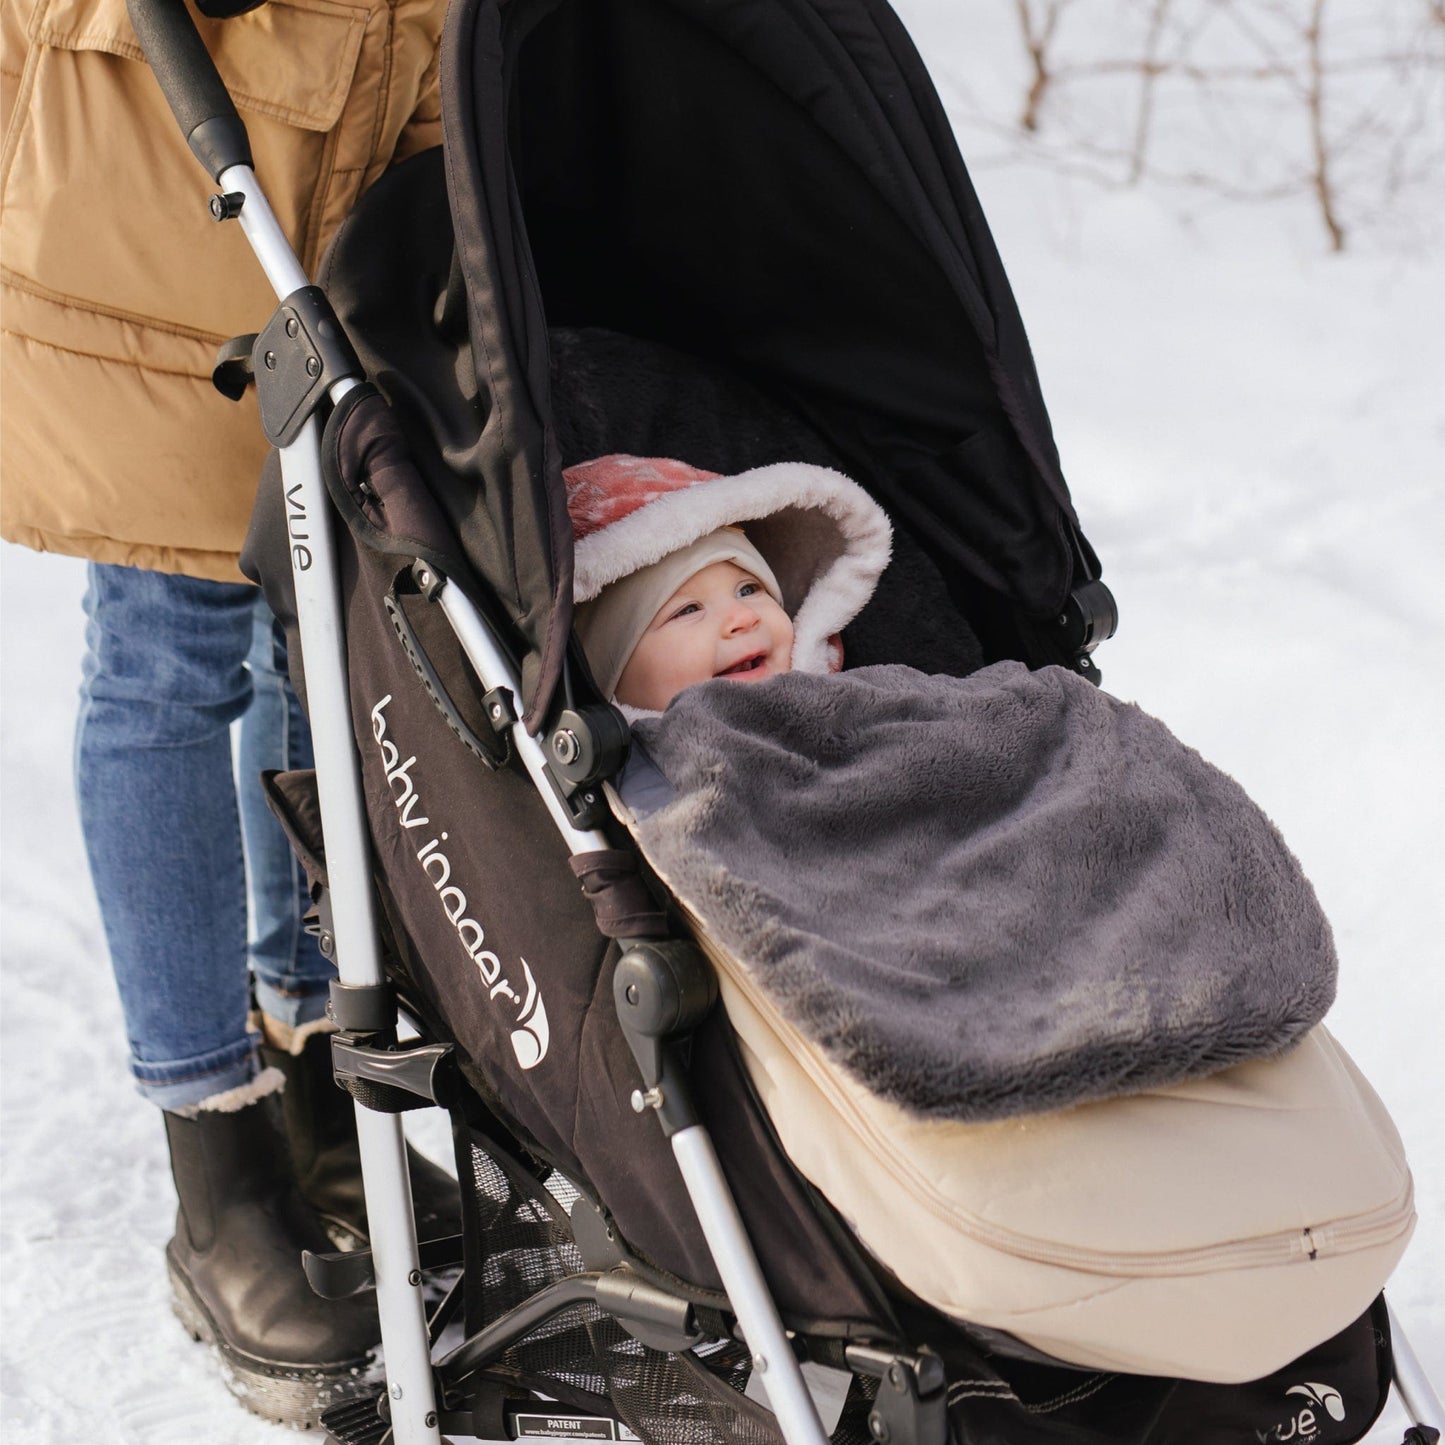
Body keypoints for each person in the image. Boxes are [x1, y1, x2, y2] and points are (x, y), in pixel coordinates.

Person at [0, 0, 456, 1425]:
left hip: (340, 187)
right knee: (170, 650)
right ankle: (215, 1166)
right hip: (158, 195)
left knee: (310, 641)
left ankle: (308, 1067)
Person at [566, 452, 894, 713]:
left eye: (748, 590)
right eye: (688, 610)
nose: (743, 617)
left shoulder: (858, 700)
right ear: (608, 674)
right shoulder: (642, 783)